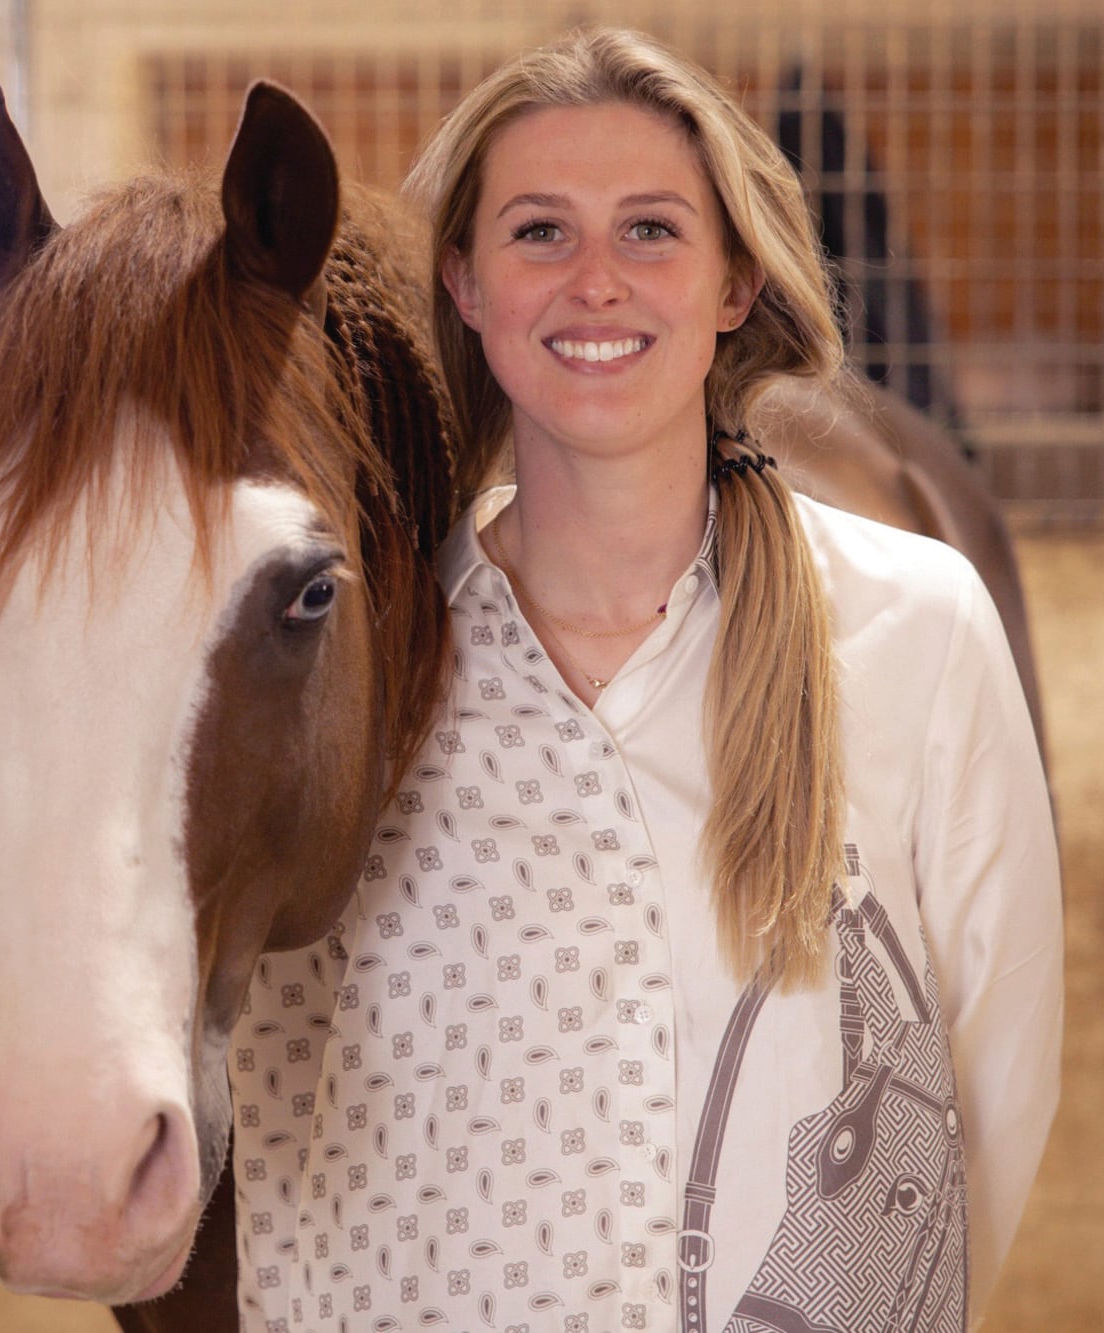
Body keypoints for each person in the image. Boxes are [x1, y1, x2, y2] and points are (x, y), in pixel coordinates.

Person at [227, 28, 1061, 1333]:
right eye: (540, 232)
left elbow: (996, 1080)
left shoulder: (920, 629)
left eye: (653, 231)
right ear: (465, 283)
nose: (597, 280)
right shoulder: (370, 669)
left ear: (735, 282)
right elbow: (283, 1102)